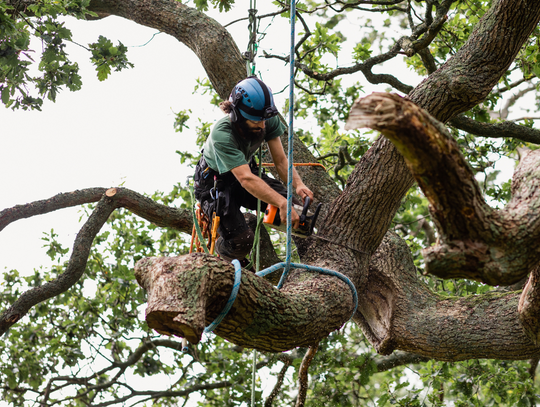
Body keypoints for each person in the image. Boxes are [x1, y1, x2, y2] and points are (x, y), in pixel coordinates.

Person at [194, 76, 314, 264]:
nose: (262, 125)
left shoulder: (264, 117)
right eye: (256, 121)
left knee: (297, 212)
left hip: (245, 173)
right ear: (236, 116)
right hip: (216, 184)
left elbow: (281, 161)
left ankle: (311, 259)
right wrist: (281, 203)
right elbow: (246, 180)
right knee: (241, 240)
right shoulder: (222, 134)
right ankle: (223, 252)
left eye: (264, 120)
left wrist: (298, 184)